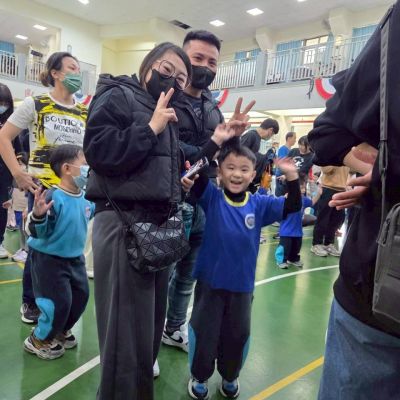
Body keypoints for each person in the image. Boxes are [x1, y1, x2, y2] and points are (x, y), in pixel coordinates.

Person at [83, 42, 194, 400]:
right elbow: (99, 151)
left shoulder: (160, 109)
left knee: (146, 337)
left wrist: (176, 182)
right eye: (167, 69)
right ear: (148, 65)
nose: (172, 80)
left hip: (152, 231)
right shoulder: (118, 94)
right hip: (123, 225)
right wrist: (151, 128)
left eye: (180, 79)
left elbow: (146, 169)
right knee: (124, 341)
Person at [308, 3, 400, 398]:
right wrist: (383, 175)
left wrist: (384, 176)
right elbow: (326, 134)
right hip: (374, 299)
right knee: (325, 218)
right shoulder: (392, 34)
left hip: (371, 296)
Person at [182, 138, 301, 399]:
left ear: (253, 174)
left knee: (237, 335)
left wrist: (292, 177)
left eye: (244, 169)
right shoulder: (212, 198)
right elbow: (194, 169)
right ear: (220, 172)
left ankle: (230, 375)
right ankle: (200, 376)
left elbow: (293, 205)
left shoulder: (259, 204)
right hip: (210, 285)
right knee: (204, 333)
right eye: (231, 167)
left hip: (242, 287)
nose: (237, 174)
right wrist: (214, 142)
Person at [163, 30, 254, 353]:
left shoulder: (213, 108)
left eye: (212, 62)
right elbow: (175, 151)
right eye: (198, 58)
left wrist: (234, 136)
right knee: (161, 276)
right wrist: (212, 147)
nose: (205, 66)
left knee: (189, 274)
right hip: (171, 200)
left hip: (206, 202)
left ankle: (173, 328)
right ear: (183, 58)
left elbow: (223, 156)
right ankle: (149, 340)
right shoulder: (167, 99)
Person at [0, 52, 87, 324]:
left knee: (68, 247)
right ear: (55, 73)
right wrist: (17, 172)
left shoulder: (85, 111)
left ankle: (60, 303)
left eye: (79, 69)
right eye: (71, 68)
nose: (77, 73)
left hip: (75, 191)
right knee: (39, 247)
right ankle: (30, 301)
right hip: (43, 188)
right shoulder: (36, 103)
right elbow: (4, 136)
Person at [24, 144, 93, 360]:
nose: (88, 168)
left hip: (75, 258)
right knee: (57, 303)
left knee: (81, 297)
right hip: (49, 260)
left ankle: (60, 330)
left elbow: (91, 214)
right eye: (84, 164)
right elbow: (35, 231)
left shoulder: (86, 196)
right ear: (67, 168)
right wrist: (38, 216)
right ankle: (38, 339)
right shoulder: (53, 196)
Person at [275, 179, 321, 269]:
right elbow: (278, 206)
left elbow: (312, 202)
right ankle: (281, 260)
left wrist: (318, 193)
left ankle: (293, 259)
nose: (303, 190)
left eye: (304, 188)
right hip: (286, 230)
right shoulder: (286, 198)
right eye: (301, 188)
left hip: (297, 230)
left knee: (296, 246)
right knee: (285, 247)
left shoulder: (303, 199)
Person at [0, 83, 21, 259]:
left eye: (5, 103)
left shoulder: (11, 125)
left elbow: (19, 151)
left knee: (2, 209)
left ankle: (0, 242)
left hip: (5, 176)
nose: (2, 106)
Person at [310, 166, 349, 257]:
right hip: (327, 188)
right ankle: (316, 244)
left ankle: (329, 243)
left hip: (341, 189)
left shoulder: (346, 157)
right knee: (323, 218)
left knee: (335, 220)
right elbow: (325, 169)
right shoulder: (333, 156)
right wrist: (337, 160)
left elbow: (350, 170)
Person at [241, 118, 280, 193]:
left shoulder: (257, 138)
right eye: (272, 134)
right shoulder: (251, 135)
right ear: (270, 130)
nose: (271, 137)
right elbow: (239, 155)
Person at [275, 132, 297, 196]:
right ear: (289, 138)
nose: (295, 140)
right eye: (294, 138)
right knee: (281, 197)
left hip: (288, 177)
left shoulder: (291, 150)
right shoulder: (283, 149)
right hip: (281, 177)